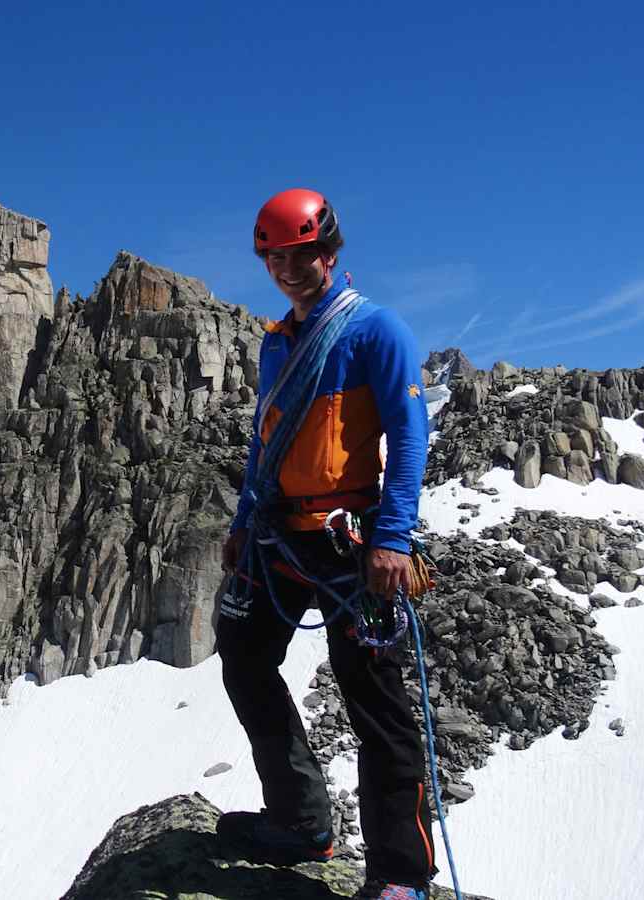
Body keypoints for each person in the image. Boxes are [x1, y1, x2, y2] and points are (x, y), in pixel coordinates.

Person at [215, 188, 435, 900]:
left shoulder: (377, 332)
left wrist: (393, 538)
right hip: (280, 535)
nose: (287, 268)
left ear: (329, 253)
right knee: (244, 660)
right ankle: (301, 822)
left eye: (299, 255)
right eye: (275, 257)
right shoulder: (277, 343)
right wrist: (245, 520)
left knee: (374, 704)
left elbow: (409, 438)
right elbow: (265, 439)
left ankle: (401, 876)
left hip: (351, 544)